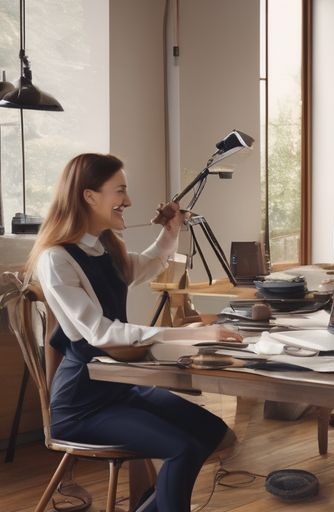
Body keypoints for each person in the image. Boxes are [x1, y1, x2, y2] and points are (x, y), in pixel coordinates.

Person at [26, 153, 243, 512]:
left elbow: (146, 267)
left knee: (212, 432)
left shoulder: (105, 245)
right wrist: (189, 335)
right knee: (183, 448)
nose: (128, 201)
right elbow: (101, 333)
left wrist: (170, 231)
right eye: (120, 191)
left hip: (120, 387)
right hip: (82, 403)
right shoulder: (56, 259)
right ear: (89, 196)